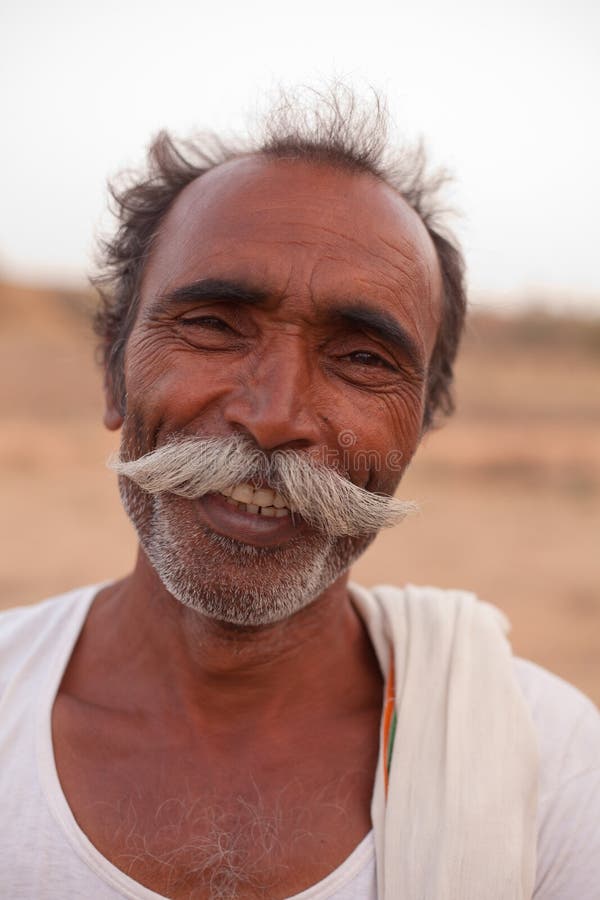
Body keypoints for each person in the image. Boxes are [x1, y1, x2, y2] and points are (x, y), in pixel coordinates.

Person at [1, 89, 599, 900]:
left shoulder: (553, 773)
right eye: (213, 325)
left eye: (361, 359)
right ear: (113, 370)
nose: (275, 417)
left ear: (420, 429)